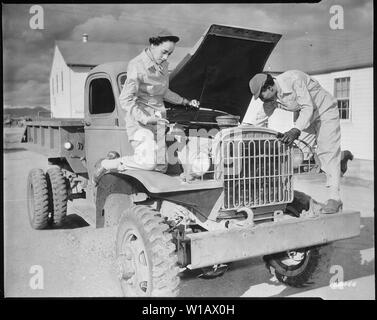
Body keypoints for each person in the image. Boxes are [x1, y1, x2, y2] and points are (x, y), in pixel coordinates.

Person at [95, 29, 199, 180]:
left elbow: (164, 92)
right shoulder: (137, 65)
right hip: (140, 123)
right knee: (149, 163)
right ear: (153, 45)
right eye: (164, 52)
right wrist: (147, 119)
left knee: (161, 167)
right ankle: (107, 164)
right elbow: (125, 99)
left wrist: (185, 101)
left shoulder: (162, 66)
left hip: (159, 121)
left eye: (169, 54)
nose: (165, 57)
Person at [249, 70, 345, 214]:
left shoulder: (294, 79)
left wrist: (295, 130)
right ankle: (340, 161)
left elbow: (308, 107)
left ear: (269, 87)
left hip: (324, 111)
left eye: (262, 97)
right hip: (306, 117)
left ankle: (335, 198)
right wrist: (250, 133)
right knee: (298, 155)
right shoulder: (271, 98)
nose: (263, 101)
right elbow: (260, 119)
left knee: (327, 151)